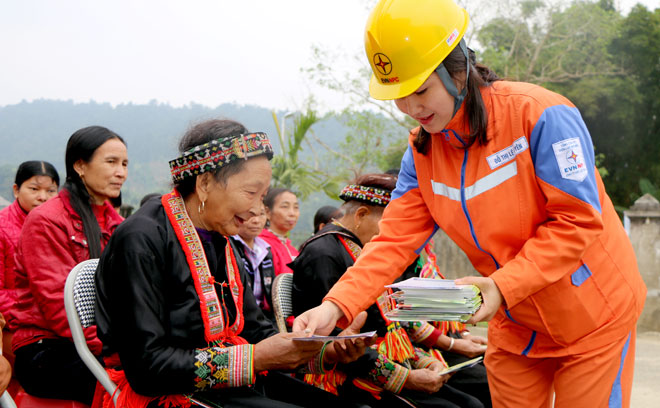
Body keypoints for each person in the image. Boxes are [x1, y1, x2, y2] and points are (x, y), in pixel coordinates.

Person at [293, 1, 647, 407]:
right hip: (516, 324)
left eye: (421, 90)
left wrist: (501, 286)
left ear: (457, 70)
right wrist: (334, 307)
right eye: (398, 97)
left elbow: (578, 221)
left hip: (592, 318)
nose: (410, 108)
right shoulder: (422, 153)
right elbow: (391, 243)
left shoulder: (541, 115)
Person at [95, 119, 369, 408]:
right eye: (250, 193)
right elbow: (146, 368)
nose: (255, 210)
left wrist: (322, 351)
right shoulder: (141, 238)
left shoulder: (221, 238)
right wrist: (256, 357)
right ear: (205, 183)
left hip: (228, 384)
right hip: (169, 394)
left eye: (262, 197)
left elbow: (253, 329)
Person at [291, 174, 482, 408]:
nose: (394, 234)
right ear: (361, 215)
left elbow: (388, 325)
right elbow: (341, 345)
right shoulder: (323, 253)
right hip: (347, 374)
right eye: (389, 225)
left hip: (380, 361)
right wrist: (406, 378)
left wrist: (421, 362)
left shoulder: (359, 250)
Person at [9, 126, 127, 404]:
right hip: (47, 348)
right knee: (146, 382)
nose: (121, 172)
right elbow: (62, 309)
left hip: (98, 343)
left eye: (124, 164)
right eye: (111, 162)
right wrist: (123, 350)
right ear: (80, 166)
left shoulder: (118, 224)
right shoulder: (45, 220)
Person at [0, 161, 59, 352]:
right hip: (13, 326)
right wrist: (35, 315)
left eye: (51, 191)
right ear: (16, 190)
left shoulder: (60, 227)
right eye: (34, 189)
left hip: (55, 322)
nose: (43, 197)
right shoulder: (2, 227)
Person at [231, 203, 276, 323]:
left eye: (261, 214)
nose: (256, 221)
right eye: (250, 214)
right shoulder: (228, 246)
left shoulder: (265, 250)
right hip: (239, 319)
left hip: (261, 319)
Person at [259, 188, 300, 275]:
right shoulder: (262, 245)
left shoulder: (292, 250)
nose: (292, 213)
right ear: (268, 212)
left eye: (296, 207)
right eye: (285, 206)